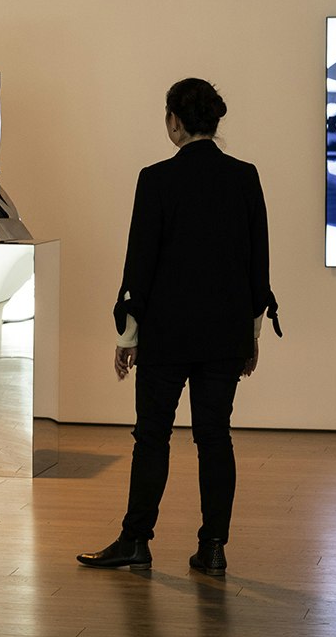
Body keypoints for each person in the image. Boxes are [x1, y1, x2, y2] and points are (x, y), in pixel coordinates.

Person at [78, 79, 280, 577]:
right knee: (215, 437)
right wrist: (251, 336)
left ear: (174, 122)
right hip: (224, 337)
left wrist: (127, 338)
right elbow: (259, 266)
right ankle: (213, 548)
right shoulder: (245, 177)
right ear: (214, 121)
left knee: (152, 438)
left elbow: (139, 267)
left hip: (166, 337)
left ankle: (135, 542)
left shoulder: (156, 180)